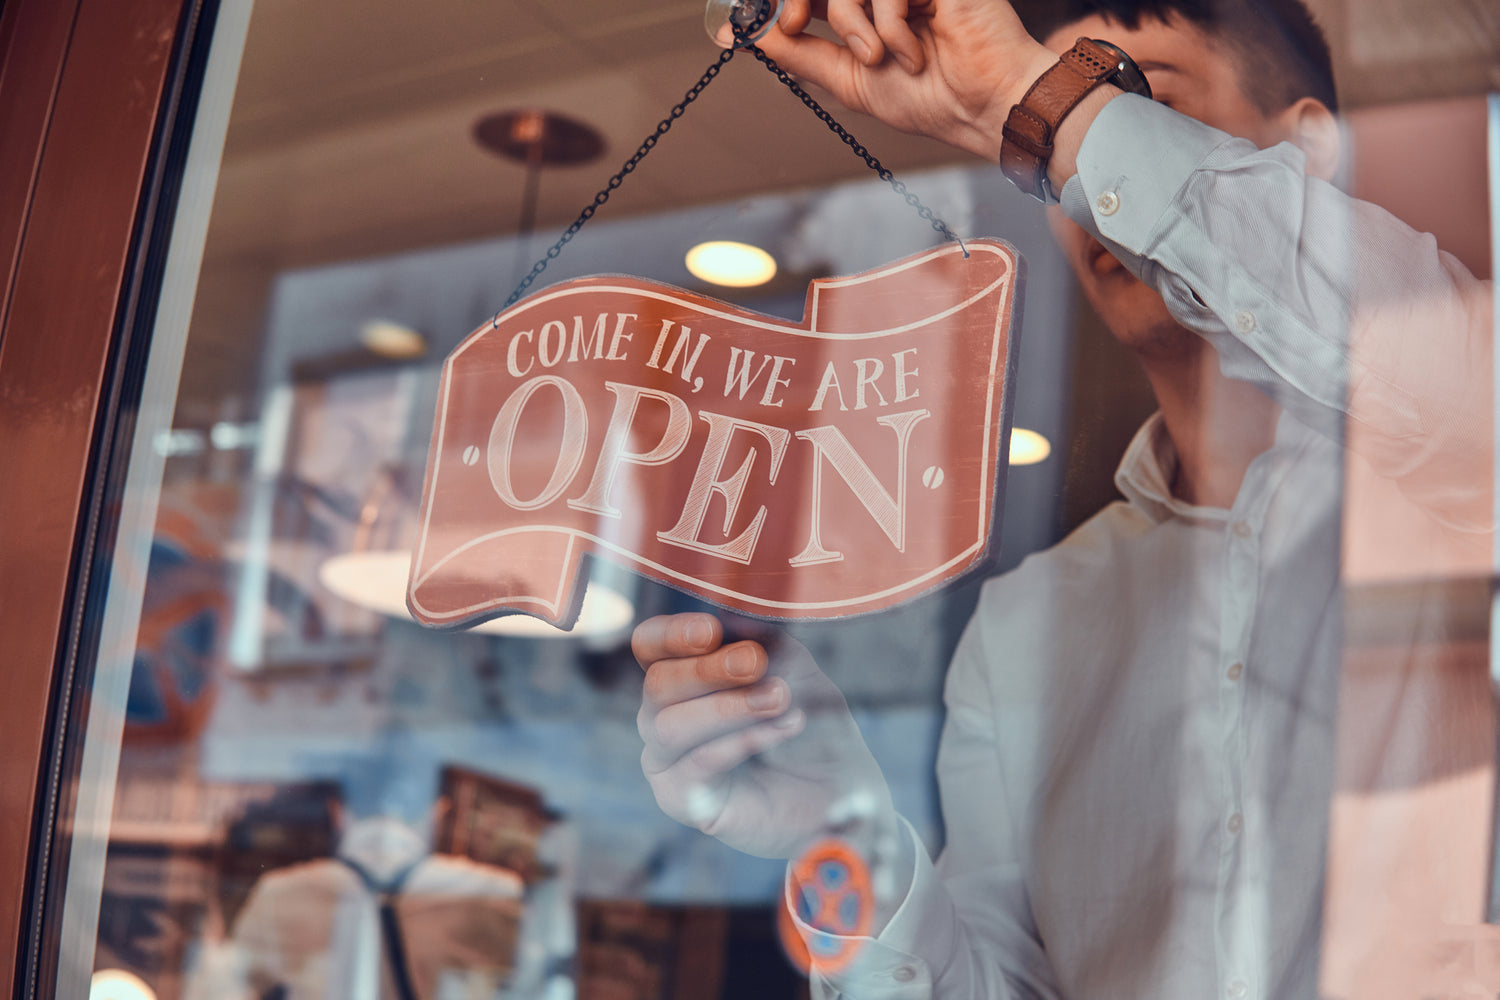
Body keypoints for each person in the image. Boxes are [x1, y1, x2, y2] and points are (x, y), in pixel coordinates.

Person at [633, 0, 1494, 997]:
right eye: (1047, 148)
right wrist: (841, 831)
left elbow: (1451, 380)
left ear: (1304, 146)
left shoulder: (1456, 480)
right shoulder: (1026, 623)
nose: (1077, 184)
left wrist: (1027, 96)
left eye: (1133, 103)